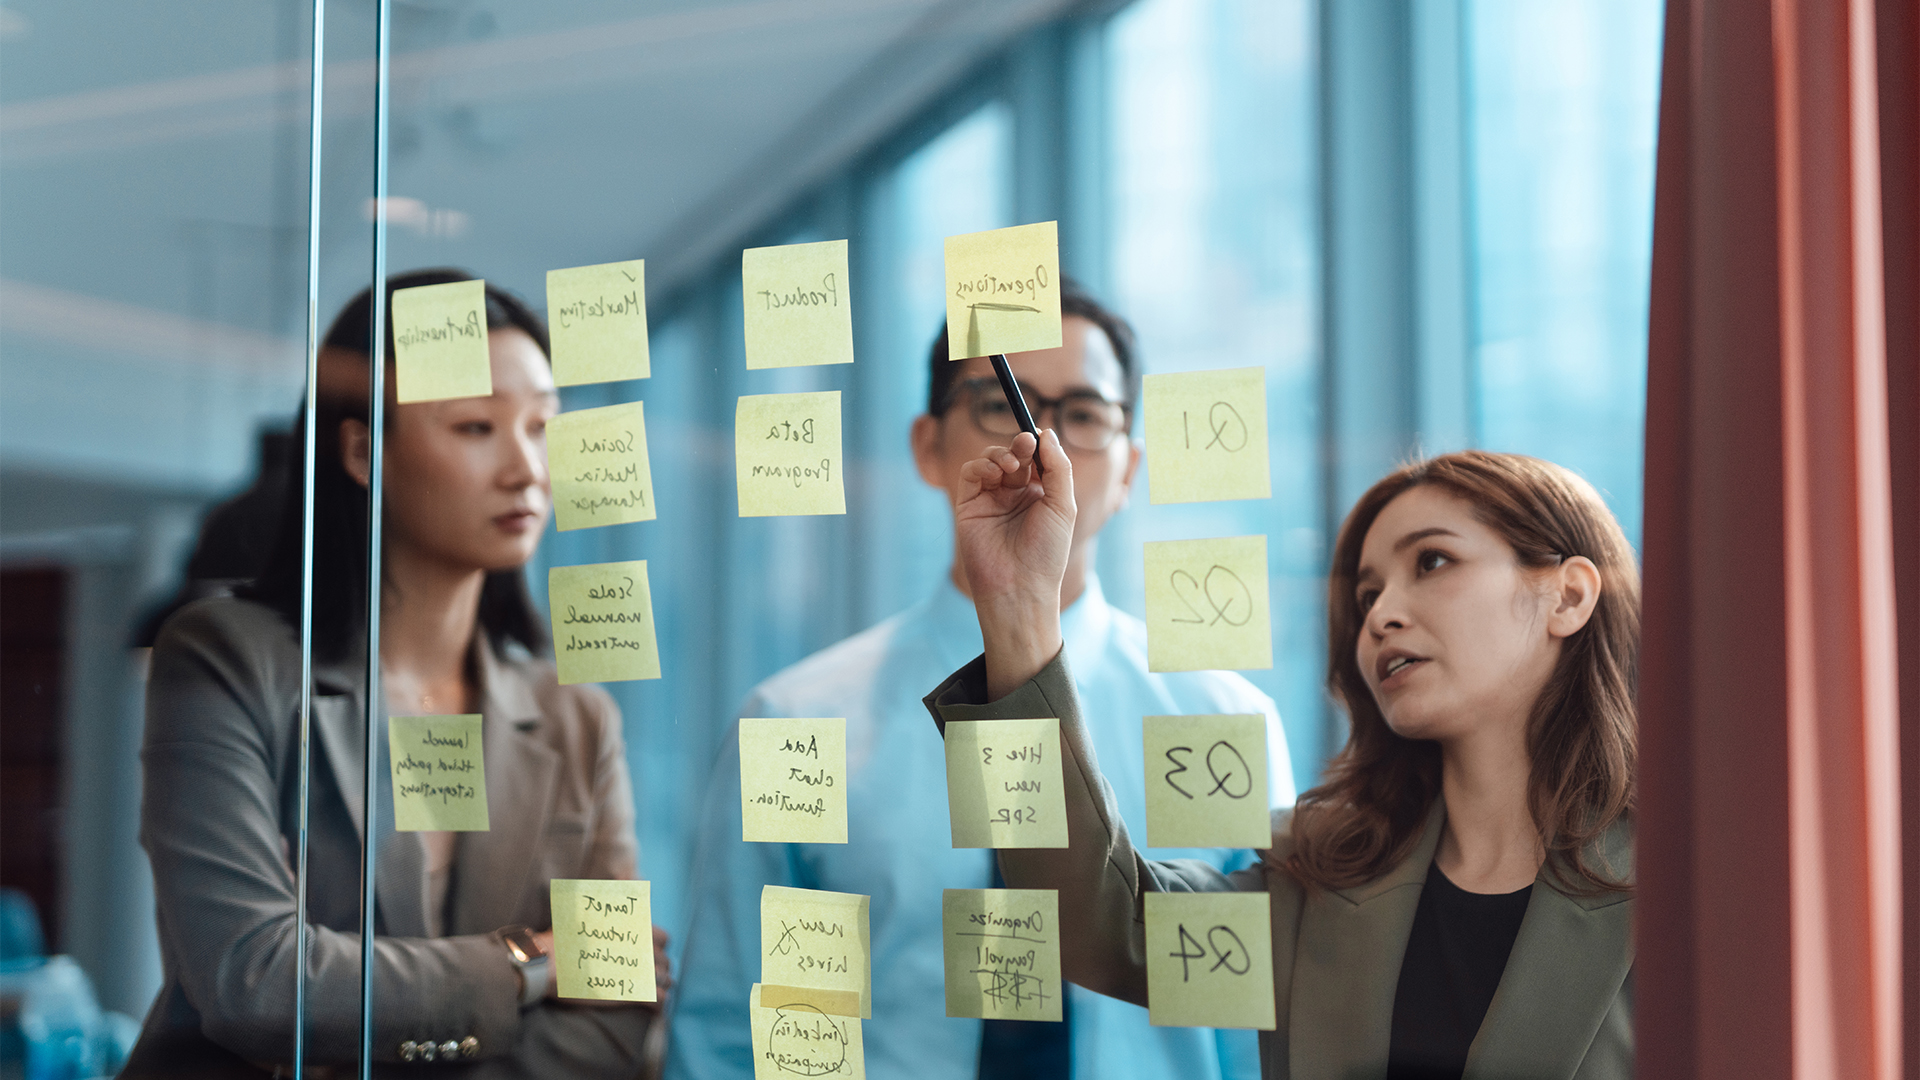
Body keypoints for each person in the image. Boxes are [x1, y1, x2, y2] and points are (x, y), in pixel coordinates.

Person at [667, 282, 1294, 1080]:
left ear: (1131, 468)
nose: (1046, 443)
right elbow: (733, 1035)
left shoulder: (1225, 718)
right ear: (927, 447)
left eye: (1087, 413)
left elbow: (1260, 1037)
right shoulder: (795, 722)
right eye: (1006, 404)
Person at [929, 441, 1636, 1080]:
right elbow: (1089, 922)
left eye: (1432, 561)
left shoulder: (1691, 883)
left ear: (1567, 595)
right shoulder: (1324, 873)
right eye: (1366, 596)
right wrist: (1018, 609)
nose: (1382, 614)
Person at [125, 270, 668, 1078]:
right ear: (361, 451)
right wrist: (531, 959)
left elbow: (622, 1008)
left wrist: (346, 995)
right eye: (478, 427)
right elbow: (254, 982)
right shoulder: (225, 659)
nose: (527, 469)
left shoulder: (577, 720)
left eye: (543, 426)